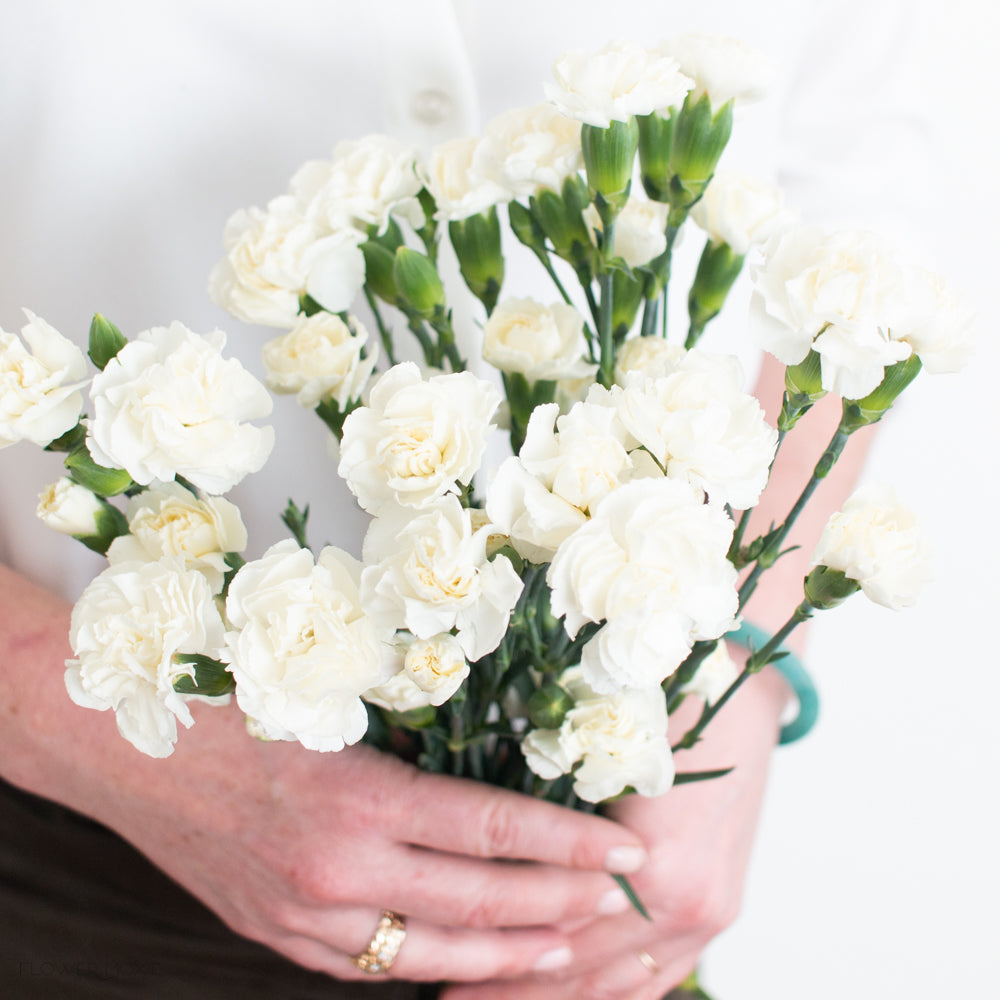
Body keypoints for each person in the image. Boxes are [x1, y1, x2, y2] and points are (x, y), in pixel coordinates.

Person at [0, 2, 926, 997]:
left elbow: (854, 220)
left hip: (603, 873)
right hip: (91, 874)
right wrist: (85, 732)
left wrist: (734, 666)